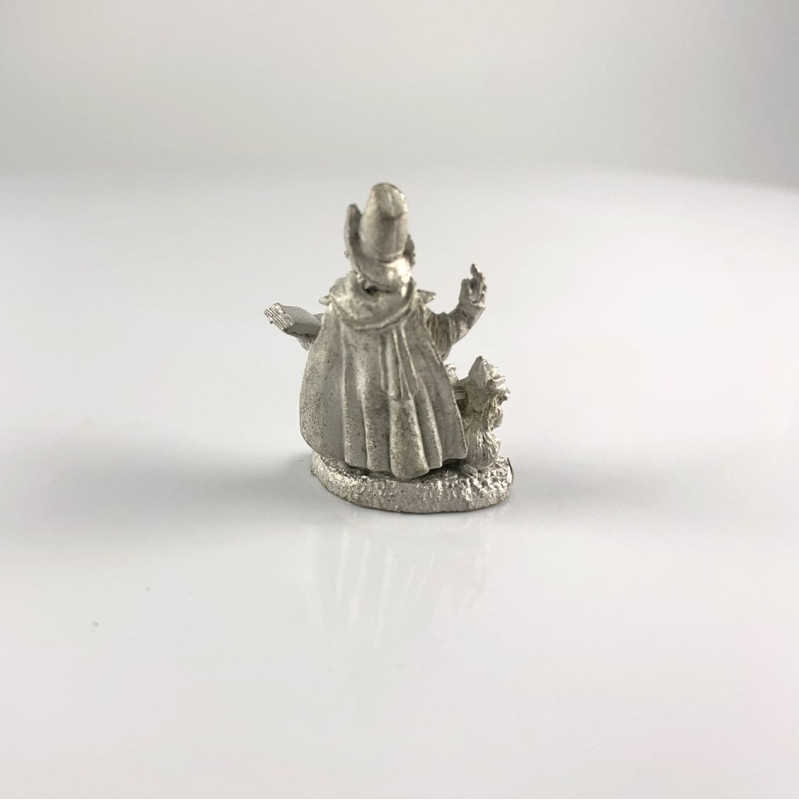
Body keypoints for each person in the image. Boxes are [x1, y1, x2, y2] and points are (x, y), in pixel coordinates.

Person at [274, 183, 488, 481]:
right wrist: (468, 309)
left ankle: (377, 467)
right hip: (398, 411)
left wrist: (307, 330)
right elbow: (440, 337)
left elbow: (329, 356)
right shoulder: (403, 306)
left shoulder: (345, 304)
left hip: (370, 412)